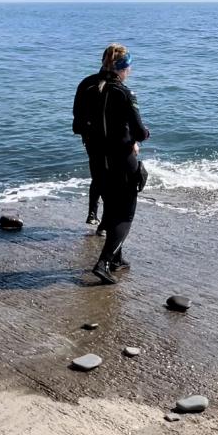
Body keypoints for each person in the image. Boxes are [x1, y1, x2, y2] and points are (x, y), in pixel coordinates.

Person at [78, 43, 150, 285]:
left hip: (97, 159)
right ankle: (104, 262)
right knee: (125, 215)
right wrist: (138, 137)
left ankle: (117, 259)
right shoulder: (123, 93)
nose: (130, 71)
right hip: (122, 160)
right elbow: (139, 132)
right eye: (129, 66)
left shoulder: (86, 84)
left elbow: (77, 125)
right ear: (123, 67)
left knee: (110, 207)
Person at [73, 51, 109, 228]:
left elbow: (76, 113)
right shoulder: (114, 86)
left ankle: (92, 213)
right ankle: (104, 223)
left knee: (98, 175)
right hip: (110, 140)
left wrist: (85, 134)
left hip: (90, 138)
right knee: (110, 179)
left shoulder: (86, 82)